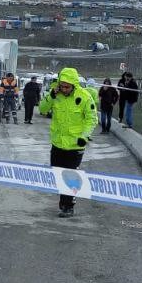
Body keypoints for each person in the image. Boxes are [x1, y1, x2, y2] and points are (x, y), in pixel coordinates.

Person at [38, 67, 98, 217]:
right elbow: (42, 109)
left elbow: (92, 119)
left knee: (70, 176)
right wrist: (51, 95)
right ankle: (63, 202)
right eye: (62, 86)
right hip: (57, 143)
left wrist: (84, 136)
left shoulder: (84, 97)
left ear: (73, 85)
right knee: (57, 175)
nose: (64, 89)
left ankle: (69, 206)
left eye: (67, 86)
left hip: (75, 145)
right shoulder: (55, 94)